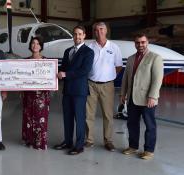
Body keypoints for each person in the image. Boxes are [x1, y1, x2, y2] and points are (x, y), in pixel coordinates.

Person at [120, 33, 163, 160]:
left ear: (147, 42)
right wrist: (123, 93)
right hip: (132, 97)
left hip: (147, 98)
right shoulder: (131, 58)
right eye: (138, 42)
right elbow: (125, 78)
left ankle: (149, 150)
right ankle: (133, 146)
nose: (140, 45)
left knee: (150, 125)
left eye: (143, 42)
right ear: (135, 44)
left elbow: (157, 79)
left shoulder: (155, 58)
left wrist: (153, 96)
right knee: (132, 123)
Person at [54, 26, 94, 155]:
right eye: (75, 34)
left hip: (79, 91)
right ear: (73, 35)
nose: (77, 36)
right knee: (67, 117)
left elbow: (84, 70)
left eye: (80, 34)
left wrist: (66, 74)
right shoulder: (67, 51)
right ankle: (68, 141)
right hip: (67, 90)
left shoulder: (88, 52)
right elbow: (63, 68)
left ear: (84, 36)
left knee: (80, 118)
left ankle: (79, 145)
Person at [85, 22, 123, 151]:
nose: (99, 31)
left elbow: (118, 66)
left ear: (106, 31)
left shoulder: (114, 47)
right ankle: (89, 140)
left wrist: (108, 76)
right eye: (96, 29)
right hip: (90, 84)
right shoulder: (89, 47)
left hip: (107, 86)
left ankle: (108, 141)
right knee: (88, 114)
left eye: (101, 29)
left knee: (108, 115)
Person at [21, 37, 51, 150]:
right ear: (30, 46)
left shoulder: (47, 61)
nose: (35, 45)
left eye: (38, 43)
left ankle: (40, 141)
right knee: (28, 117)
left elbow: (50, 77)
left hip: (42, 95)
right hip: (28, 95)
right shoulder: (25, 61)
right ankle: (29, 140)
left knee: (40, 117)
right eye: (33, 43)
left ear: (41, 46)